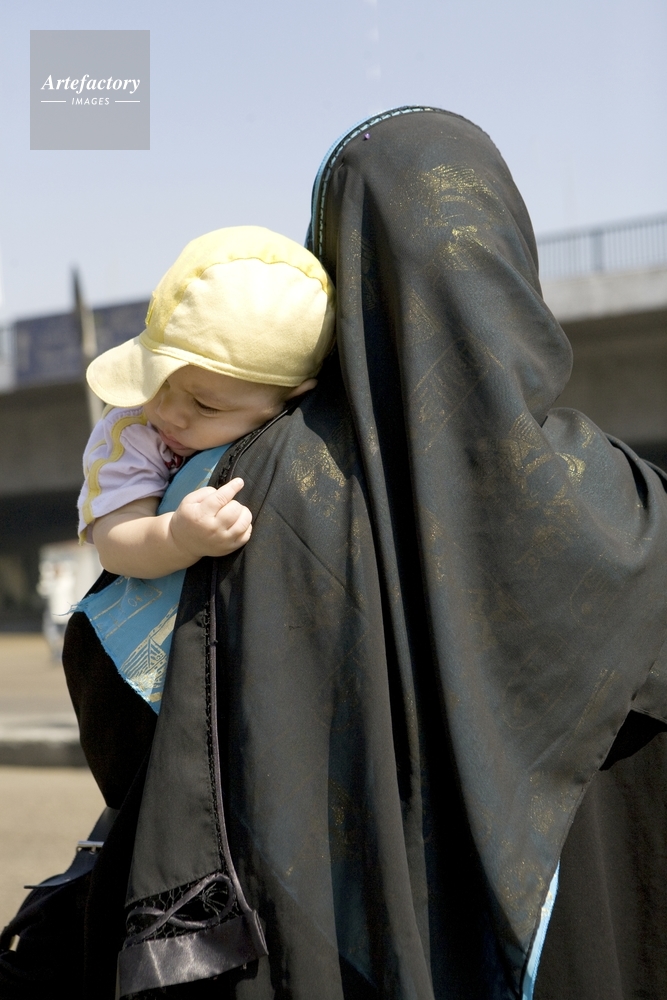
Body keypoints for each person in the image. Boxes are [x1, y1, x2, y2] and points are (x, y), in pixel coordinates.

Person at [3, 107, 667, 1000]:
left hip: (324, 942)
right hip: (583, 939)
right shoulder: (635, 507)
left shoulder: (242, 483)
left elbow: (129, 709)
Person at [73, 224, 335, 709]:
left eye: (205, 406)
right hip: (134, 673)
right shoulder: (133, 431)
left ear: (293, 399)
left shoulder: (306, 438)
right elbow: (114, 542)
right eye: (157, 380)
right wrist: (178, 537)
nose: (169, 412)